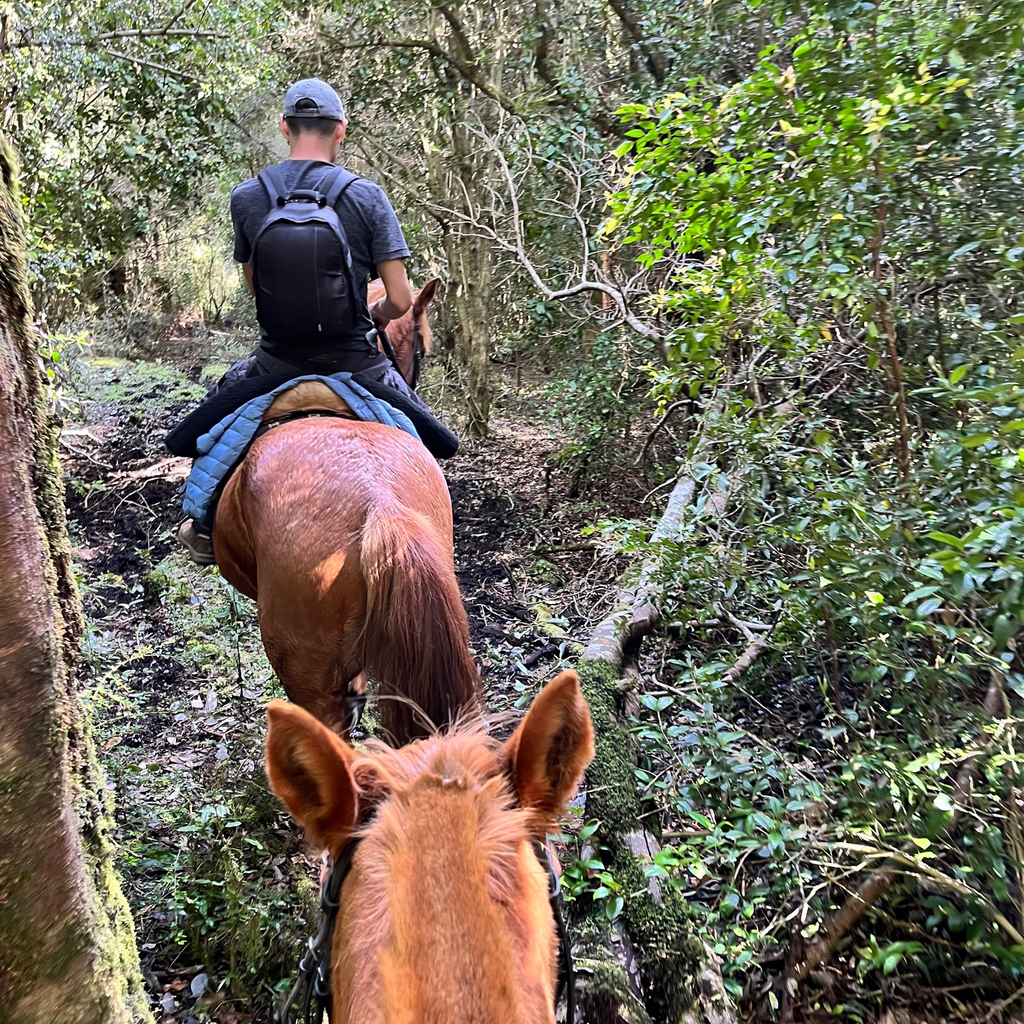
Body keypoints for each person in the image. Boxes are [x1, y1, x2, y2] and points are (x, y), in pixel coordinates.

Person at [176, 77, 422, 565]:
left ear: (285, 127)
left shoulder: (247, 198)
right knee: (430, 442)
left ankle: (202, 526)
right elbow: (399, 299)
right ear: (341, 131)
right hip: (355, 362)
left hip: (275, 362)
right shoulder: (367, 197)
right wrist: (374, 312)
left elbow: (254, 289)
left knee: (197, 440)